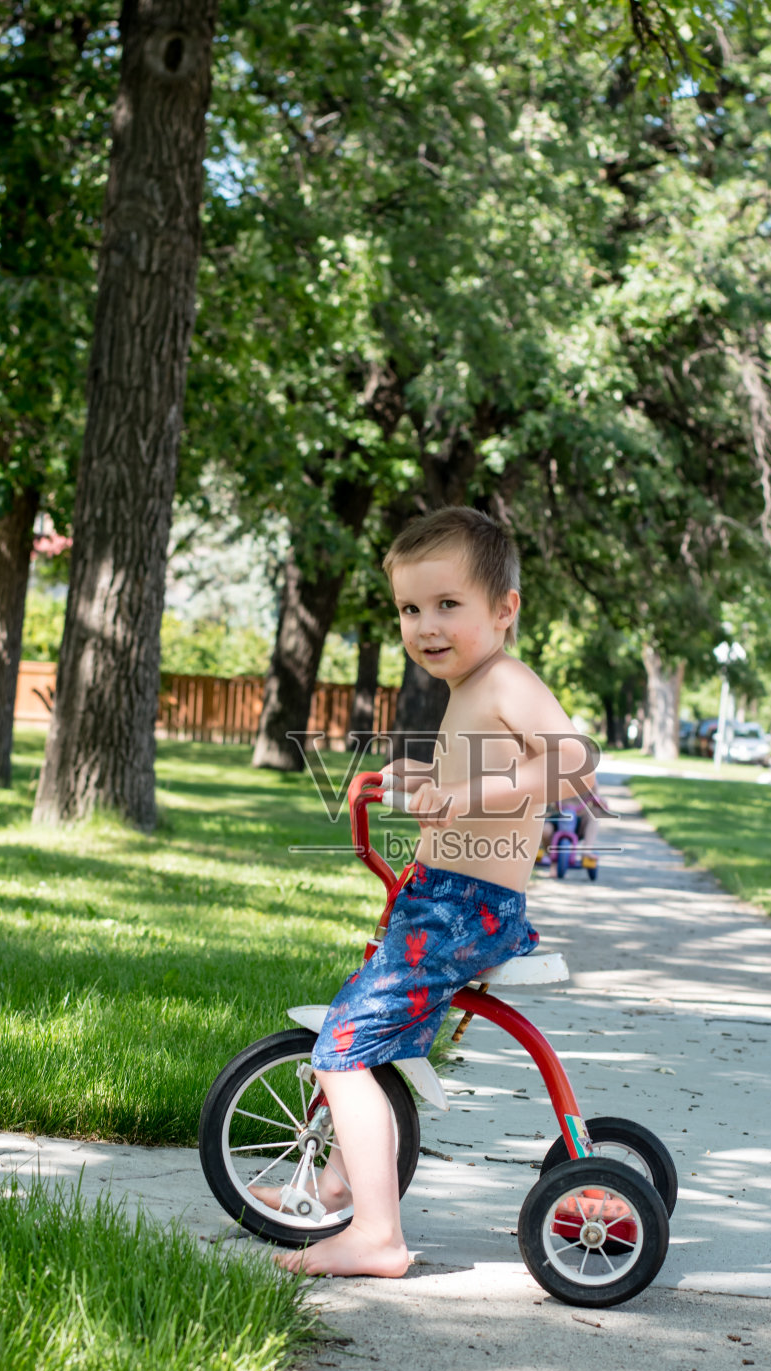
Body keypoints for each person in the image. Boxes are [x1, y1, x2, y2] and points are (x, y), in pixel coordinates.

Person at [255, 506, 597, 1278]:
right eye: (411, 609)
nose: (426, 626)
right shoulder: (474, 684)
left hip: (460, 913)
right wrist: (423, 781)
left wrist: (464, 793)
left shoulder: (506, 679)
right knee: (365, 1034)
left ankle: (376, 1236)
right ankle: (342, 1181)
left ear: (505, 610)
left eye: (448, 605)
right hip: (446, 902)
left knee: (341, 1051)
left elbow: (573, 765)